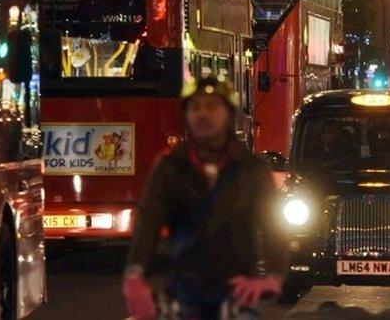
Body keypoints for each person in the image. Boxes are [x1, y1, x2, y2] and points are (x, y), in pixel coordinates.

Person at [122, 77, 287, 319]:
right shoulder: (169, 167)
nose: (202, 114)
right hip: (185, 291)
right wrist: (135, 275)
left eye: (211, 106)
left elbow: (274, 228)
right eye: (195, 107)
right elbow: (148, 223)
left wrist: (272, 278)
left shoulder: (252, 168)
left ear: (228, 114)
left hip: (237, 294)